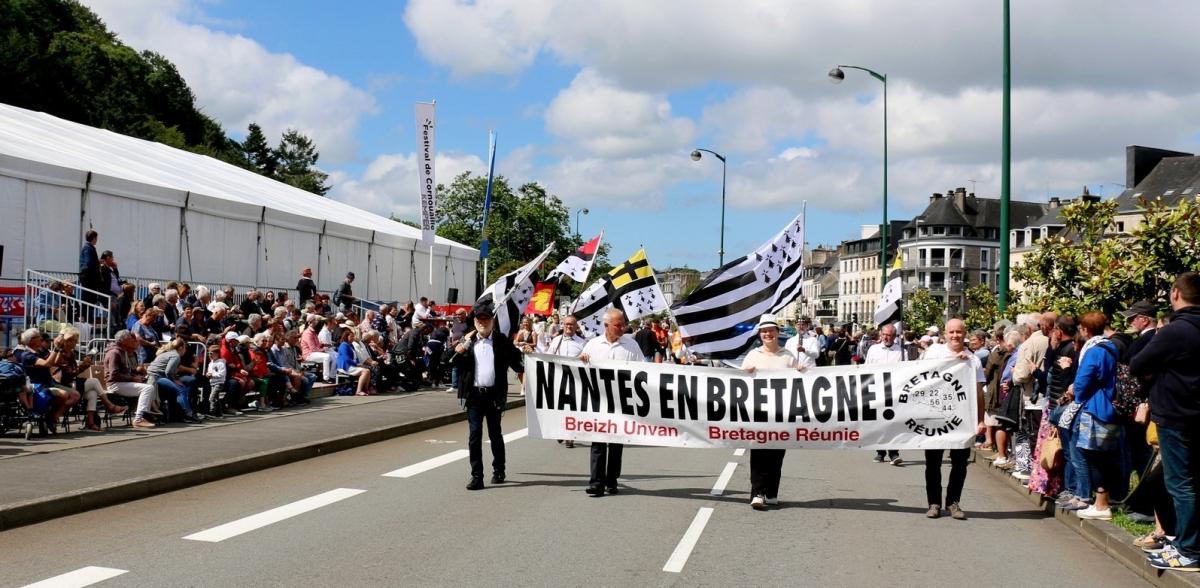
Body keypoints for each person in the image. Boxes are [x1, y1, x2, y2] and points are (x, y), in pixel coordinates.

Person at [1130, 272, 1200, 572]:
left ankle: (1189, 548)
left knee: (1180, 483)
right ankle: (1187, 542)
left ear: (1175, 294)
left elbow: (1137, 364)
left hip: (1175, 414)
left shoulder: (1176, 330)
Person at [452, 300, 525, 491]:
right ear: (475, 321)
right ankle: (477, 476)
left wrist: (530, 357)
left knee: (495, 435)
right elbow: (447, 361)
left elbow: (517, 363)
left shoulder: (501, 340)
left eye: (486, 319)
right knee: (475, 436)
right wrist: (459, 350)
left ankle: (499, 469)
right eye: (479, 319)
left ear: (492, 320)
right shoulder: (467, 341)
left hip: (494, 395)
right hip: (474, 396)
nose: (483, 322)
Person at [740, 314, 809, 509]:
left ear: (778, 333)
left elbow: (801, 380)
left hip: (781, 414)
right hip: (759, 413)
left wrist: (802, 370)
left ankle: (771, 492)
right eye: (764, 332)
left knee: (776, 454)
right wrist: (746, 372)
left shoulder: (788, 355)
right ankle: (758, 493)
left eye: (771, 331)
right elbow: (738, 381)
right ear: (760, 335)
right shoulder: (753, 355)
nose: (767, 334)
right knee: (759, 453)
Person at [921, 318, 985, 520]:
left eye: (959, 332)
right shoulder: (934, 353)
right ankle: (934, 503)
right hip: (935, 416)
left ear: (965, 334)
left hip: (962, 419)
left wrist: (980, 419)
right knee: (933, 463)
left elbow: (978, 392)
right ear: (945, 334)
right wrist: (953, 362)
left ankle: (953, 502)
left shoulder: (973, 360)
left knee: (959, 463)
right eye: (951, 332)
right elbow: (922, 378)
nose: (955, 335)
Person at [578, 308, 642, 496]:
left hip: (621, 403)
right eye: (618, 325)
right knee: (598, 442)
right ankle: (596, 483)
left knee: (616, 443)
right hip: (598, 401)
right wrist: (581, 360)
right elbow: (578, 369)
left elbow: (644, 370)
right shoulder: (592, 345)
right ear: (606, 326)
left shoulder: (631, 345)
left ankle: (611, 480)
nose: (622, 328)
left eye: (623, 324)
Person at [1070, 311, 1121, 522]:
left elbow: (1083, 379)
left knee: (1094, 456)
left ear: (1084, 329)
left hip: (1095, 406)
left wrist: (1078, 395)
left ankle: (1101, 505)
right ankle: (1103, 501)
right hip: (1108, 405)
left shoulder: (1093, 350)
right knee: (1103, 456)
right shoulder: (1110, 347)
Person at [14, 328, 82, 433]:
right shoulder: (27, 355)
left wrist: (60, 349)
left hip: (49, 382)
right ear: (31, 340)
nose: (41, 338)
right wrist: (56, 348)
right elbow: (47, 364)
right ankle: (49, 416)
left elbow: (55, 363)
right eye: (38, 337)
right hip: (38, 386)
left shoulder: (40, 351)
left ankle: (53, 417)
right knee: (63, 394)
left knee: (75, 395)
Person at [546, 315, 587, 448]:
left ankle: (570, 436)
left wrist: (585, 357)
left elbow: (589, 361)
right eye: (567, 324)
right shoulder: (556, 341)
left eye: (572, 324)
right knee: (560, 408)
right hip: (559, 379)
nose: (569, 326)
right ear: (563, 325)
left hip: (576, 381)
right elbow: (547, 357)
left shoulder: (582, 343)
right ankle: (560, 431)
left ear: (576, 327)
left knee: (573, 409)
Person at [104, 330, 159, 428]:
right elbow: (114, 375)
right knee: (147, 388)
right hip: (114, 384)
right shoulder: (115, 353)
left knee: (149, 384)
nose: (132, 340)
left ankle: (148, 413)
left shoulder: (121, 351)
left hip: (119, 383)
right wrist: (132, 379)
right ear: (124, 341)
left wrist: (135, 377)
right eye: (129, 339)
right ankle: (139, 419)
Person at [866, 324, 904, 465]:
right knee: (880, 422)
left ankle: (894, 453)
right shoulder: (873, 350)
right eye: (885, 334)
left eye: (890, 335)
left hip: (893, 391)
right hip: (877, 390)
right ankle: (880, 452)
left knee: (893, 422)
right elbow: (867, 369)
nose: (887, 337)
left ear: (894, 336)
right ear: (881, 335)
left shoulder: (900, 351)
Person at [147, 338, 201, 423]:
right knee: (180, 390)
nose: (185, 350)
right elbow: (168, 371)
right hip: (156, 377)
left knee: (182, 387)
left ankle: (178, 414)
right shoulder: (175, 356)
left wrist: (175, 379)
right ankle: (188, 414)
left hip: (157, 376)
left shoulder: (168, 353)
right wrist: (175, 381)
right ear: (180, 348)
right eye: (185, 348)